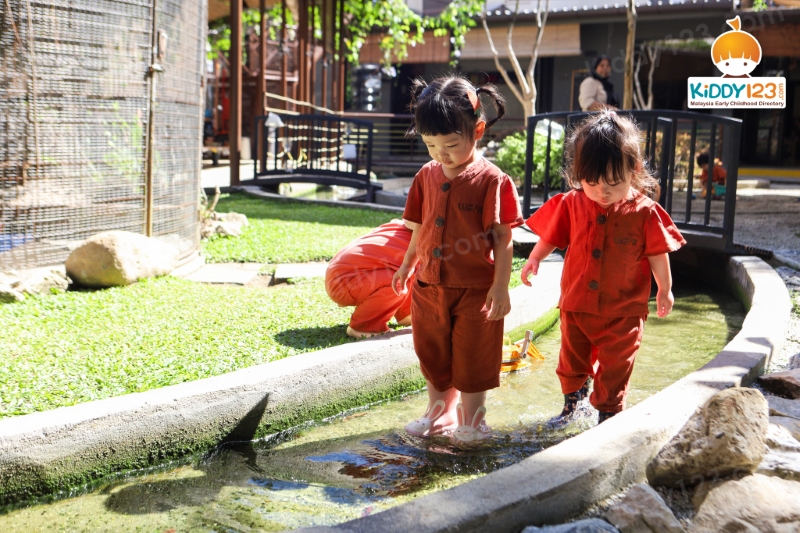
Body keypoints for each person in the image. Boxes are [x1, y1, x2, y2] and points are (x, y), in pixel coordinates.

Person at [521, 111, 686, 425]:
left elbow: (657, 253)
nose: (602, 191)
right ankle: (572, 408)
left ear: (633, 170)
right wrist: (535, 258)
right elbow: (553, 235)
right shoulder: (572, 203)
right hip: (576, 305)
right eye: (592, 182)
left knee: (615, 367)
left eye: (613, 182)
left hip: (623, 312)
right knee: (571, 362)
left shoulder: (645, 212)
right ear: (579, 173)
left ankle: (607, 417)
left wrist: (664, 288)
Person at [391, 76, 523, 443]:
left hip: (475, 291)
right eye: (430, 144)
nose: (440, 153)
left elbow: (503, 237)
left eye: (450, 144)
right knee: (432, 352)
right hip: (429, 286)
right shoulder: (426, 176)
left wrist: (501, 287)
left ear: (477, 129)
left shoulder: (492, 180)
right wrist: (406, 265)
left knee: (473, 354)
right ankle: (439, 411)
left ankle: (473, 416)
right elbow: (419, 229)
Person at [325, 219, 416, 338]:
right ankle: (364, 327)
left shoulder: (398, 227)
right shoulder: (421, 243)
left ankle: (406, 314)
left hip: (340, 277)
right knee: (399, 279)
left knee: (407, 272)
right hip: (345, 283)